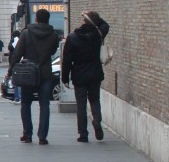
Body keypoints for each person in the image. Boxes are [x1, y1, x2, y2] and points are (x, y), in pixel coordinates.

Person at [6, 8, 61, 144]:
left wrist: (11, 69)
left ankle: (27, 134)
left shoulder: (26, 33)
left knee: (25, 103)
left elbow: (18, 53)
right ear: (48, 19)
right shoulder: (53, 35)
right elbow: (53, 51)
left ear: (36, 18)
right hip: (45, 73)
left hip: (28, 73)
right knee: (44, 104)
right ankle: (42, 137)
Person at [61, 10, 110, 142]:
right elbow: (105, 25)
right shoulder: (98, 34)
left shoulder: (72, 37)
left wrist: (65, 78)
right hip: (95, 73)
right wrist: (93, 18)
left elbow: (66, 60)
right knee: (95, 100)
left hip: (79, 75)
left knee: (81, 104)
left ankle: (83, 134)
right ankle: (97, 121)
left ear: (84, 21)